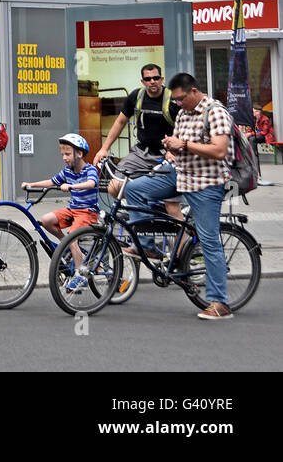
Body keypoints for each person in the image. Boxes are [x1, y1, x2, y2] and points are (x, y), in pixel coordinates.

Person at [165, 72, 235, 319]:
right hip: (181, 177)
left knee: (209, 240)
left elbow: (218, 150)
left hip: (207, 184)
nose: (178, 104)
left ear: (194, 91)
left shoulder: (215, 111)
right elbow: (178, 144)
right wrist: (171, 151)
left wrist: (183, 145)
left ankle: (220, 303)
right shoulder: (183, 113)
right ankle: (147, 248)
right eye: (174, 100)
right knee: (132, 189)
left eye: (181, 98)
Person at [22, 133, 99, 292]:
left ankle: (80, 277)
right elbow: (51, 181)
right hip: (72, 209)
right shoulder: (67, 171)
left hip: (87, 212)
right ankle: (66, 245)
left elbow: (91, 183)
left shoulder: (90, 169)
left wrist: (72, 187)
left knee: (73, 238)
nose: (64, 157)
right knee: (46, 220)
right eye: (62, 154)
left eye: (68, 154)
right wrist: (32, 184)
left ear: (79, 153)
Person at [95, 64, 181, 201]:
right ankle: (143, 214)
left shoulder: (173, 100)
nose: (152, 81)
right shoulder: (136, 96)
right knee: (115, 187)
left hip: (166, 156)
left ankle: (161, 215)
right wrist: (104, 148)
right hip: (141, 154)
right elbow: (120, 122)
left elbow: (184, 126)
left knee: (171, 205)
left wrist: (174, 150)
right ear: (142, 81)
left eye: (156, 78)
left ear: (162, 79)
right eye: (148, 79)